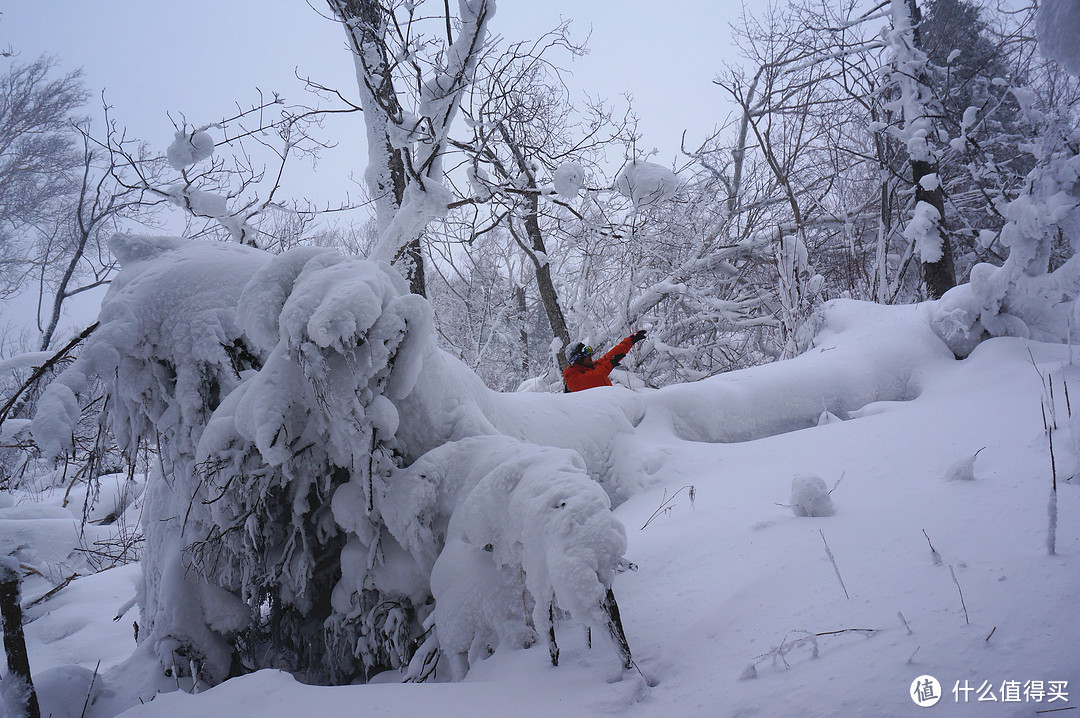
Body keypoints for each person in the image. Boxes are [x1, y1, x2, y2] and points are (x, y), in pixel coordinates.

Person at [563, 330, 647, 392]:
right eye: (586, 353)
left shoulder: (593, 366)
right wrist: (610, 364)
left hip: (608, 407)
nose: (590, 355)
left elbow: (611, 356)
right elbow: (593, 378)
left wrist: (630, 341)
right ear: (578, 359)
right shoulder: (572, 377)